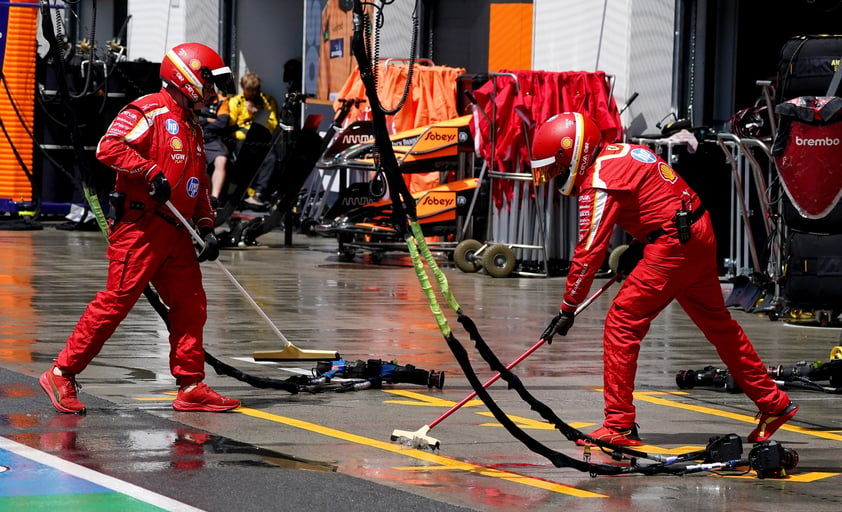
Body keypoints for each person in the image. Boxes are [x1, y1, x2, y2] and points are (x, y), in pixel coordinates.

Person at [532, 112, 798, 446]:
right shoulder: (623, 152)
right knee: (719, 325)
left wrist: (569, 307)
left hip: (673, 244)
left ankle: (618, 427)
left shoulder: (599, 178)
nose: (556, 176)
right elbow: (656, 195)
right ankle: (773, 403)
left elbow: (589, 249)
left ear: (573, 155)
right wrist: (637, 244)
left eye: (556, 166)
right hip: (696, 232)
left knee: (621, 323)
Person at [39, 42, 241, 415]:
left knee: (191, 306)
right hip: (141, 227)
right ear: (188, 77)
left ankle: (191, 385)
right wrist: (148, 171)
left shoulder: (192, 125)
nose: (214, 90)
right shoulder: (148, 109)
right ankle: (61, 373)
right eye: (209, 80)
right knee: (115, 303)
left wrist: (207, 227)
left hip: (177, 235)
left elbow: (195, 182)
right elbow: (108, 147)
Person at [227, 72, 280, 209]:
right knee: (244, 158)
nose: (253, 93)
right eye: (249, 90)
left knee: (271, 158)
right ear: (243, 87)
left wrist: (257, 112)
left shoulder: (268, 101)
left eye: (255, 90)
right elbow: (230, 126)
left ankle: (259, 194)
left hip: (263, 138)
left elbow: (274, 124)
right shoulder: (236, 101)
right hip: (242, 139)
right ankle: (235, 194)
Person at [199, 89, 233, 208]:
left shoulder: (221, 100)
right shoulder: (195, 96)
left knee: (221, 160)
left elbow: (222, 123)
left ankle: (214, 199)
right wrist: (207, 119)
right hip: (195, 135)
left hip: (212, 139)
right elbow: (192, 118)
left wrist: (202, 121)